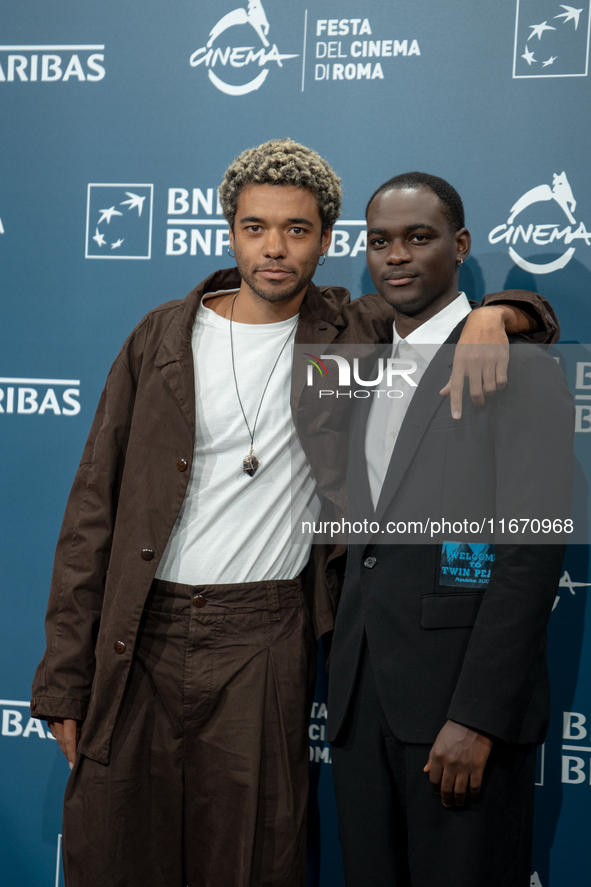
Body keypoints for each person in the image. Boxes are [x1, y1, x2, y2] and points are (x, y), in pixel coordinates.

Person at [30, 142, 556, 887]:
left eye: (297, 230)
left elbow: (441, 307)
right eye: (254, 227)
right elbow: (92, 510)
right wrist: (64, 675)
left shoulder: (347, 329)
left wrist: (504, 312)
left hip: (266, 634)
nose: (274, 248)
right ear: (229, 231)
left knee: (251, 855)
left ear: (327, 240)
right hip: (138, 630)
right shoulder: (160, 337)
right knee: (116, 846)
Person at [327, 172, 574, 887]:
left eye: (418, 237)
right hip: (360, 707)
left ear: (459, 246)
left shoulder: (517, 366)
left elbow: (529, 555)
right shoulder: (362, 363)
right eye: (379, 241)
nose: (395, 255)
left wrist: (476, 718)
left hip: (458, 719)